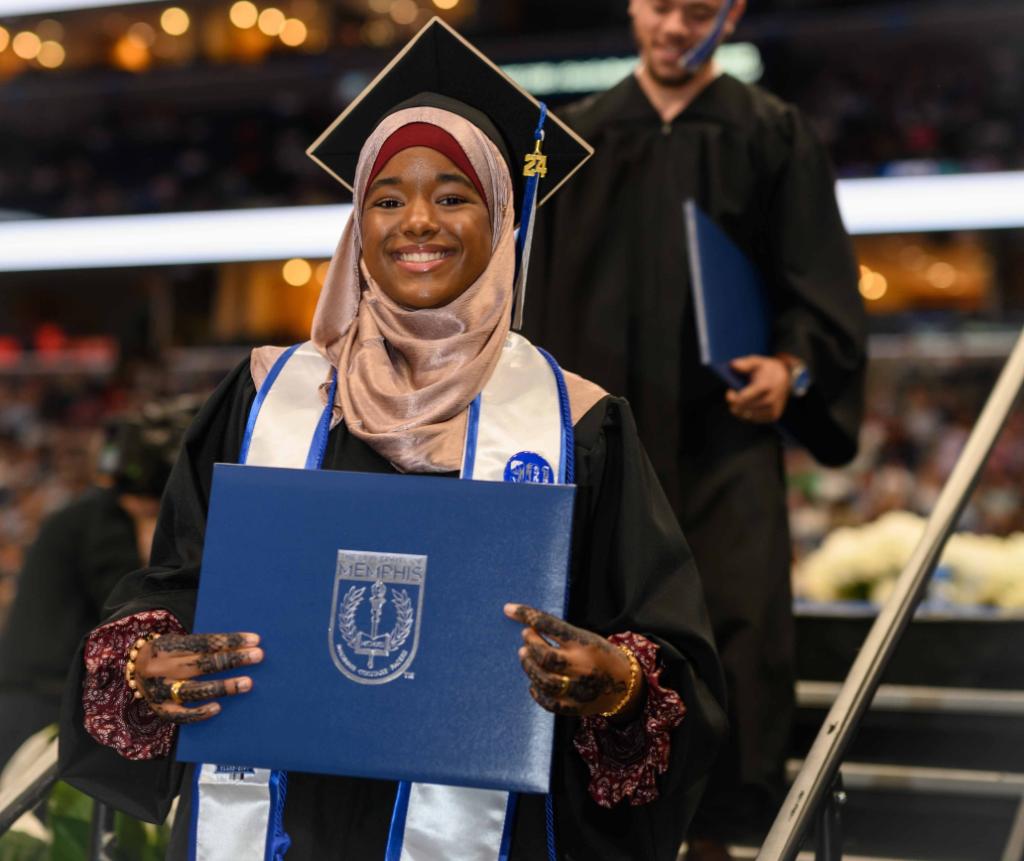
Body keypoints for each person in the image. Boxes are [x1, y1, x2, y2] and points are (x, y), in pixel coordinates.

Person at [57, 20, 726, 861]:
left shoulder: (576, 422)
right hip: (283, 822)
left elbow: (666, 653)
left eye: (453, 196)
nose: (418, 222)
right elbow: (180, 583)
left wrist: (617, 685)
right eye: (387, 198)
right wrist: (148, 664)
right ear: (357, 224)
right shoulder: (269, 394)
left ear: (501, 219)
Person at [523, 1, 867, 856]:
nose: (674, 27)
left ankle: (721, 839)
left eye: (699, 9)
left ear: (735, 10)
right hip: (602, 454)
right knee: (592, 623)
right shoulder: (576, 139)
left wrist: (791, 370)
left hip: (725, 448)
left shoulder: (770, 133)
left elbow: (821, 288)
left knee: (737, 637)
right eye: (657, 5)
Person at [0, 400, 194, 770]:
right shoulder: (105, 522)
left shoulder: (82, 514)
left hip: (30, 695)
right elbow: (128, 610)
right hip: (45, 704)